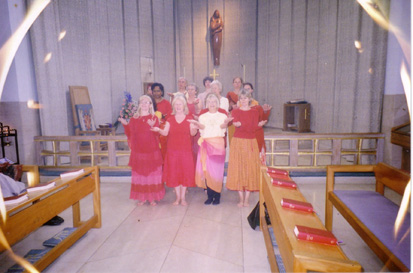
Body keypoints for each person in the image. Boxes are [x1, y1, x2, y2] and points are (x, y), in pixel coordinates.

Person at [151, 95, 197, 206]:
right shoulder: (170, 119)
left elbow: (193, 133)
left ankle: (183, 198)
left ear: (184, 105)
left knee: (185, 173)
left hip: (186, 151)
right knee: (175, 174)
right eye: (176, 104)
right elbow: (165, 132)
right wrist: (158, 130)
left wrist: (196, 127)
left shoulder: (189, 117)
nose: (178, 106)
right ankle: (177, 198)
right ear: (173, 106)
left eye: (180, 104)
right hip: (172, 151)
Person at [118, 95, 165, 206]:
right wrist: (125, 124)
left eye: (147, 102)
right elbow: (130, 133)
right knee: (140, 175)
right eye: (142, 102)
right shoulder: (134, 119)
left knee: (152, 175)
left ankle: (152, 197)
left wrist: (153, 127)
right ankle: (142, 197)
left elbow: (157, 135)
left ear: (150, 105)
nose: (144, 104)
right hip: (139, 152)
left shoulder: (154, 118)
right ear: (139, 104)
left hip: (152, 151)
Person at [189, 93, 232, 205]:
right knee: (206, 171)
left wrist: (227, 122)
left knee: (217, 172)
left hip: (218, 145)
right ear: (207, 103)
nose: (212, 104)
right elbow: (203, 128)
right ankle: (209, 196)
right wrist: (196, 124)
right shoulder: (203, 116)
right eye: (209, 102)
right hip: (206, 145)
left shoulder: (222, 116)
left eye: (214, 102)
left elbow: (222, 127)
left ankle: (217, 196)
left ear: (217, 103)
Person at [226, 89, 267, 207]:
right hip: (238, 141)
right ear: (239, 100)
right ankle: (240, 198)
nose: (243, 100)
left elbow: (253, 128)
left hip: (250, 142)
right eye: (241, 98)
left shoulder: (254, 112)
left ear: (249, 99)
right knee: (238, 167)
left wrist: (259, 126)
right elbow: (237, 125)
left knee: (250, 168)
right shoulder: (235, 112)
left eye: (245, 98)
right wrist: (237, 125)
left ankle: (247, 199)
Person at [243, 82, 272, 163]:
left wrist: (266, 111)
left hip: (257, 134)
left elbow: (263, 120)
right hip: (245, 135)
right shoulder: (239, 107)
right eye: (245, 89)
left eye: (248, 89)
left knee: (258, 157)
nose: (247, 91)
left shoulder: (258, 106)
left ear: (252, 91)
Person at [151, 83, 172, 159]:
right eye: (155, 91)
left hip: (163, 132)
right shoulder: (149, 103)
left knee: (163, 152)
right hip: (151, 131)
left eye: (158, 91)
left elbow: (169, 117)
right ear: (152, 92)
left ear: (162, 92)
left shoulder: (166, 103)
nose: (156, 93)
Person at [226, 77, 243, 145]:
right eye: (235, 82)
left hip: (242, 116)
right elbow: (227, 107)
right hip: (232, 116)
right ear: (233, 84)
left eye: (239, 82)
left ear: (241, 84)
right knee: (232, 136)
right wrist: (232, 107)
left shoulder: (243, 94)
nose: (237, 84)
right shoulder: (229, 94)